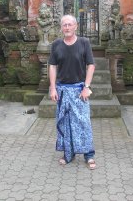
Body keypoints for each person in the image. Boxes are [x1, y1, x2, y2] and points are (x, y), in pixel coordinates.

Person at [48, 15, 96, 170]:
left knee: (83, 123)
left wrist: (87, 87)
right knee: (66, 123)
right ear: (61, 27)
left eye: (69, 25)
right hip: (62, 90)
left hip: (79, 90)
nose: (67, 28)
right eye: (64, 25)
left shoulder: (84, 43)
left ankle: (89, 154)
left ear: (75, 26)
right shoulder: (56, 44)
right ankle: (69, 153)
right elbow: (52, 66)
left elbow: (91, 65)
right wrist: (53, 87)